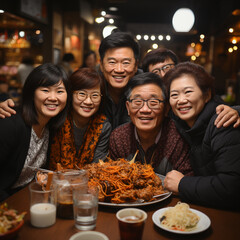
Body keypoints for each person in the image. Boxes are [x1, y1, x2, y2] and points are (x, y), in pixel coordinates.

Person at [163, 62, 240, 209]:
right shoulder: (182, 123)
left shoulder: (222, 122)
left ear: (206, 95)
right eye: (174, 95)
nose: (181, 100)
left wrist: (182, 184)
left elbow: (231, 187)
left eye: (188, 92)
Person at [0, 63, 68, 201]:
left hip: (26, 200)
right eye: (45, 90)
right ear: (32, 93)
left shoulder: (51, 128)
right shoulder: (11, 124)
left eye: (60, 91)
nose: (53, 97)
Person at [109, 72, 193, 176]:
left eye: (153, 102)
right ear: (128, 107)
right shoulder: (118, 138)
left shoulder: (179, 138)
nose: (145, 109)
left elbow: (187, 181)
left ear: (166, 108)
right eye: (137, 102)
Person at [141, 47, 240, 129]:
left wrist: (236, 111)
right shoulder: (148, 104)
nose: (163, 75)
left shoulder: (197, 95)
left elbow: (218, 105)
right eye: (156, 72)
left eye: (167, 68)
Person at [48, 68, 112, 170]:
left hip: (88, 183)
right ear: (70, 94)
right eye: (82, 94)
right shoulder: (56, 118)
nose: (88, 101)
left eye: (95, 95)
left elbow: (97, 167)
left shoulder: (103, 126)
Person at [98, 31, 141, 129]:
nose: (119, 70)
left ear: (136, 66)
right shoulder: (92, 89)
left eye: (126, 63)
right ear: (101, 65)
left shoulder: (146, 90)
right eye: (112, 62)